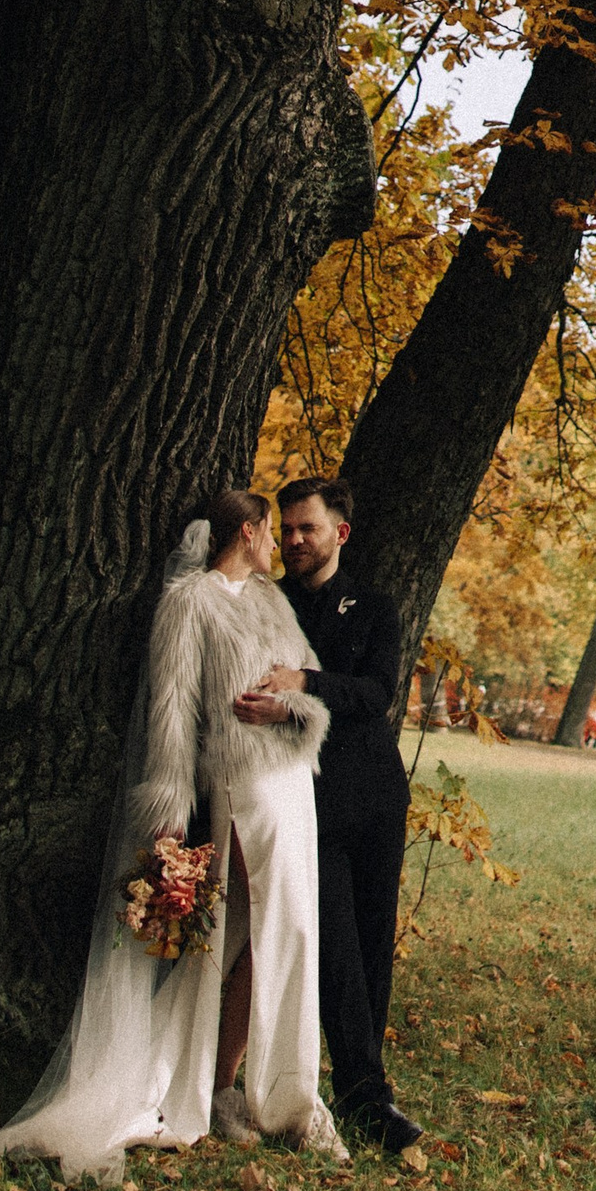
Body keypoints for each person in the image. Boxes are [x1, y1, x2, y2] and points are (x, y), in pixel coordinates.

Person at [0, 489, 335, 1180]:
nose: (276, 545)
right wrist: (168, 805)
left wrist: (289, 704)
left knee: (272, 930)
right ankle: (224, 1087)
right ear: (247, 531)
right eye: (268, 533)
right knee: (260, 927)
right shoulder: (189, 602)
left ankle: (251, 1087)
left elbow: (306, 682)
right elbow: (171, 710)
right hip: (244, 782)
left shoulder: (271, 600)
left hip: (292, 780)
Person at [253, 476, 421, 1156]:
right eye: (288, 530)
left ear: (339, 534)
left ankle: (362, 1088)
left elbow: (377, 693)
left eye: (308, 529)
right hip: (308, 801)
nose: (294, 541)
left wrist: (307, 683)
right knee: (336, 948)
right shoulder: (267, 605)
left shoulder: (375, 608)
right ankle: (367, 1095)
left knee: (374, 946)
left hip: (376, 796)